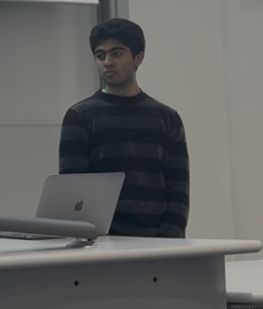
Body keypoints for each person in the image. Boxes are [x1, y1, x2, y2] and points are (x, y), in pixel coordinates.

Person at [59, 17, 189, 237]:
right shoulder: (80, 116)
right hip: (101, 243)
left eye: (116, 54)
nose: (107, 62)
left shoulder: (167, 118)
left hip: (159, 242)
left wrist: (169, 240)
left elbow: (178, 189)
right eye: (100, 55)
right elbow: (73, 192)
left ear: (138, 57)